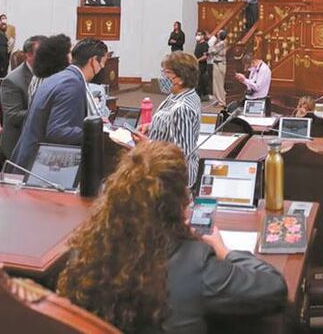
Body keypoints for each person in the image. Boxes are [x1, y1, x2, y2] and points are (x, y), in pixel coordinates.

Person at [56, 142, 287, 333]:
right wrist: (225, 252)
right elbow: (274, 287)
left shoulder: (85, 250)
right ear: (181, 201)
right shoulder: (195, 262)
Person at [11, 38, 108, 170]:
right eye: (103, 62)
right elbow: (58, 131)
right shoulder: (72, 83)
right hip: (38, 167)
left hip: (28, 158)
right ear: (93, 61)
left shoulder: (60, 77)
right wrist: (97, 130)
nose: (103, 67)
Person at [140, 51, 202, 184]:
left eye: (167, 73)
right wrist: (151, 127)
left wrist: (148, 144)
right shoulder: (178, 95)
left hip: (173, 180)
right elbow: (172, 125)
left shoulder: (182, 108)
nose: (163, 76)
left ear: (181, 78)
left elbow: (181, 154)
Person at [0, 35, 44, 158]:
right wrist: (45, 111)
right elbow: (13, 116)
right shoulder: (13, 80)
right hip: (18, 145)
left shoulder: (48, 74)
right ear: (29, 55)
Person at [208, 30, 228, 108]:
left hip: (220, 64)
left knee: (219, 84)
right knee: (216, 83)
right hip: (217, 63)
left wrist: (212, 44)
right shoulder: (220, 43)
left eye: (218, 33)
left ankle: (222, 101)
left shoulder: (221, 43)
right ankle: (217, 100)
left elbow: (211, 51)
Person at [193, 31, 211, 100]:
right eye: (196, 34)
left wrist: (198, 60)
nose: (197, 36)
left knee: (201, 81)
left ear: (203, 36)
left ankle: (203, 96)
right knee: (197, 80)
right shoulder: (198, 44)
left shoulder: (205, 44)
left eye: (199, 35)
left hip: (202, 66)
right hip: (197, 65)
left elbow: (205, 56)